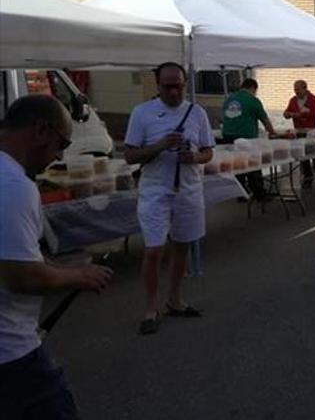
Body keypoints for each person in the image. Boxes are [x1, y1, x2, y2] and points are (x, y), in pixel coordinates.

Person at [0, 95, 113, 418]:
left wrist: (60, 266)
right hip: (12, 355)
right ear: (40, 131)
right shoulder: (13, 186)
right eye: (61, 143)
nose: (60, 155)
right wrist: (81, 276)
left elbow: (14, 254)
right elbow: (21, 276)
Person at [124, 62, 215, 335]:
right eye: (168, 86)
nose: (174, 91)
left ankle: (175, 299)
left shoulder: (197, 113)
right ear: (157, 84)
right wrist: (161, 145)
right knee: (153, 251)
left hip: (188, 189)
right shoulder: (142, 113)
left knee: (183, 245)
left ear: (185, 84)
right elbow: (129, 155)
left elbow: (208, 152)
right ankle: (150, 309)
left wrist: (194, 157)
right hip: (155, 192)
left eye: (179, 86)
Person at [221, 78, 276, 201]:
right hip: (246, 137)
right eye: (255, 91)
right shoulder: (253, 100)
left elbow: (224, 117)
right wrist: (273, 133)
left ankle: (240, 194)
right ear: (253, 88)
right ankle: (259, 194)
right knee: (253, 164)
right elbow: (265, 120)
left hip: (228, 136)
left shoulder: (230, 99)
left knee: (237, 165)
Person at [285, 80, 315, 189]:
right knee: (303, 157)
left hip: (312, 132)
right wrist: (290, 114)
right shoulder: (293, 100)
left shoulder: (313, 99)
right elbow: (286, 113)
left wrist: (302, 114)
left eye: (298, 89)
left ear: (305, 88)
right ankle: (307, 178)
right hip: (300, 132)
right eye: (295, 89)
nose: (296, 92)